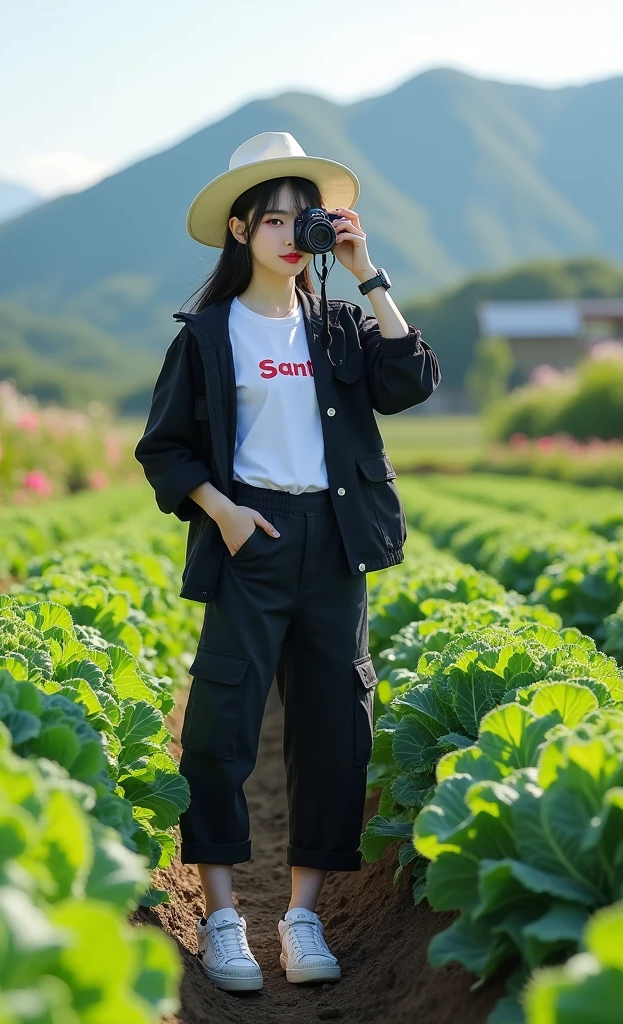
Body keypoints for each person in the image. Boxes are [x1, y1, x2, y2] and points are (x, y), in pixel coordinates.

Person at [135, 131, 441, 993]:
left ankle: (302, 918)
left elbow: (411, 380)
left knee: (338, 727)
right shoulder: (206, 334)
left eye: (303, 220)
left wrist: (366, 267)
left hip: (336, 543)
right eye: (272, 219)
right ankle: (226, 919)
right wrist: (224, 512)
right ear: (239, 231)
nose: (288, 233)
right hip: (251, 540)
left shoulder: (340, 322)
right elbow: (165, 450)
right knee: (223, 729)